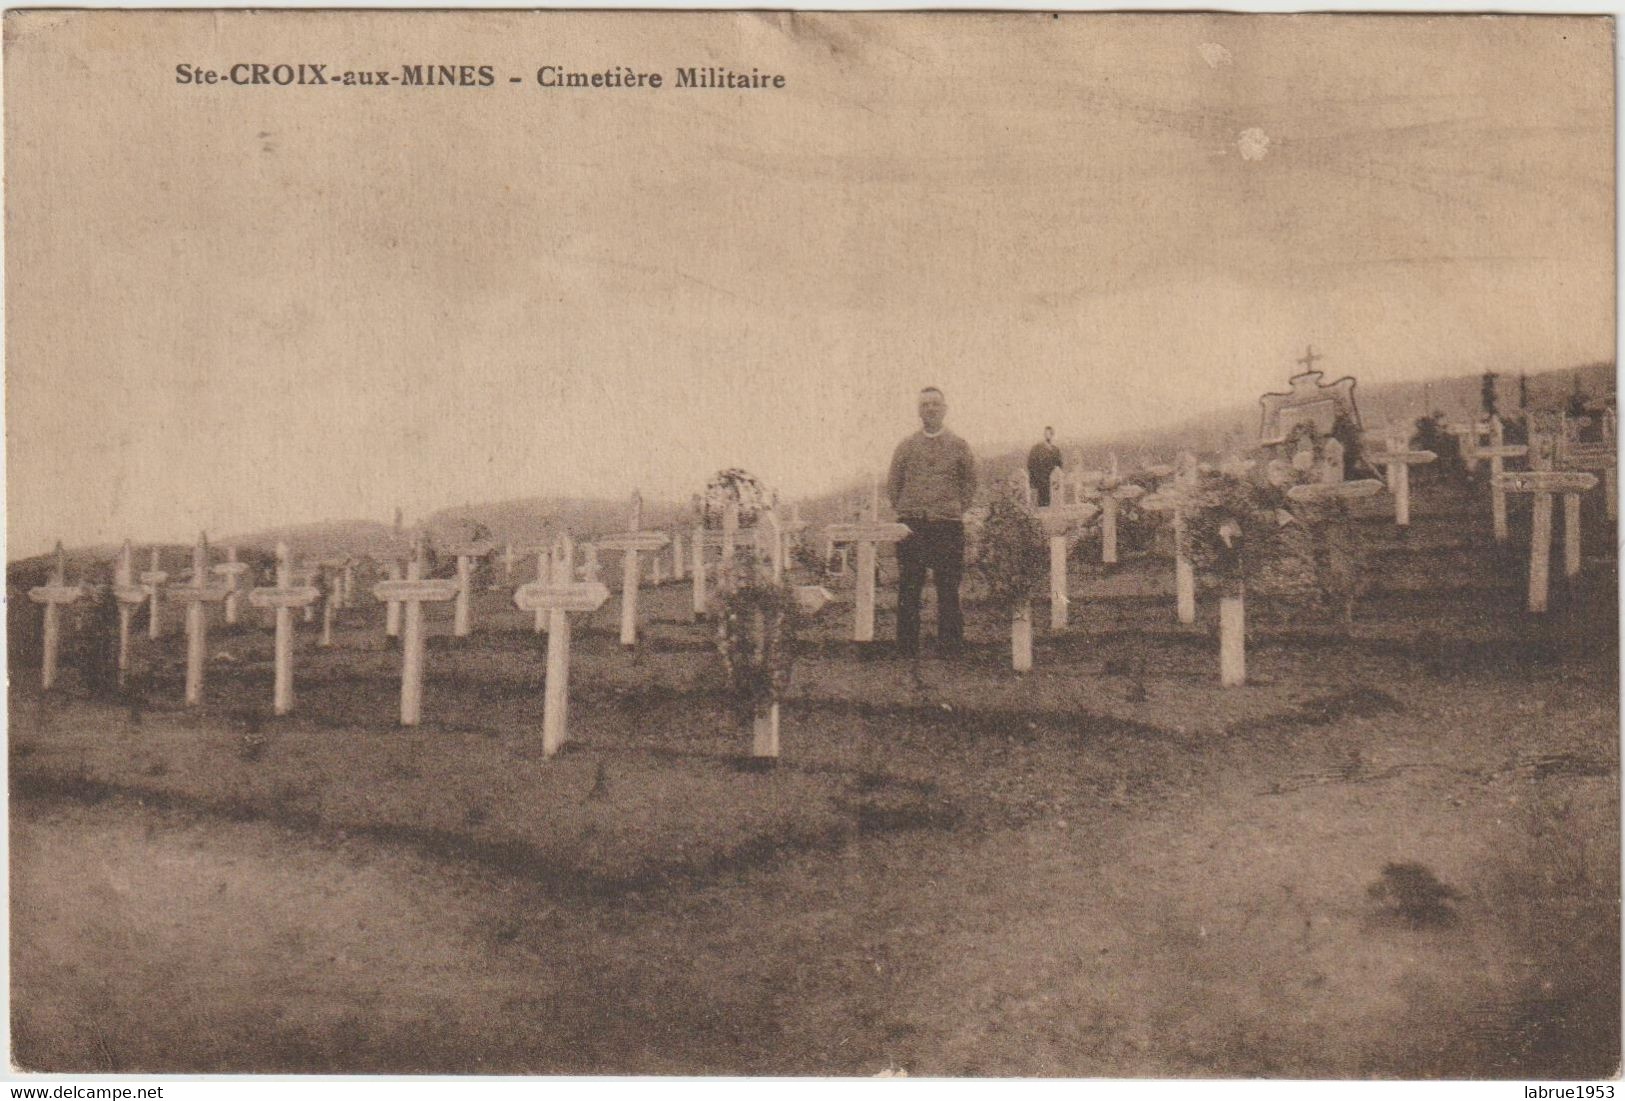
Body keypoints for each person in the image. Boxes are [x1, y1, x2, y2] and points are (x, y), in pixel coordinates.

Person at [887, 386, 977, 657]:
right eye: (925, 404)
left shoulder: (959, 445)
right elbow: (894, 484)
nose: (931, 409)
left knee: (948, 588)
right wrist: (907, 509)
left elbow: (970, 483)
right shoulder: (906, 446)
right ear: (918, 411)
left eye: (936, 404)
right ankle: (906, 648)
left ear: (945, 409)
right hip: (912, 526)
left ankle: (950, 648)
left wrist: (953, 508)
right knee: (909, 587)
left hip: (947, 526)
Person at [1027, 426, 1063, 506]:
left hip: (1053, 481)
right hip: (1041, 480)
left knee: (1055, 502)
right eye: (1046, 433)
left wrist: (1057, 474)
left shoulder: (1055, 449)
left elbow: (1059, 464)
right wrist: (1035, 480)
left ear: (1052, 435)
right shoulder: (1036, 449)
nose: (1048, 436)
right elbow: (1031, 465)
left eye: (1050, 434)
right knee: (1043, 503)